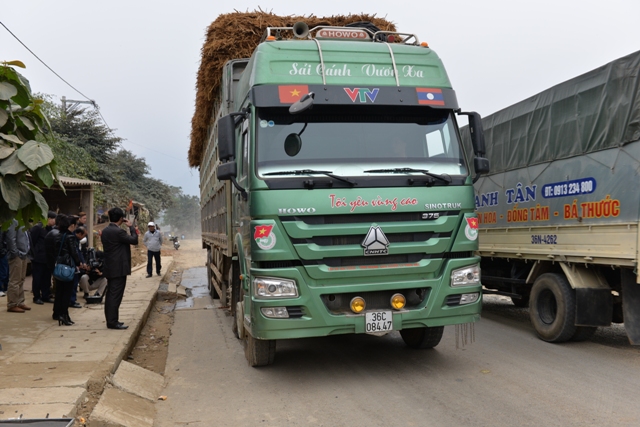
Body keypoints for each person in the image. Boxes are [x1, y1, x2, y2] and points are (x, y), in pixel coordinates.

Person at [101, 207, 138, 330]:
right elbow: (134, 240)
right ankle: (112, 322)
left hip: (110, 266)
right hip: (118, 267)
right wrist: (131, 227)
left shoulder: (106, 230)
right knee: (115, 295)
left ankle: (112, 319)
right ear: (121, 219)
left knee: (111, 294)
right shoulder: (118, 232)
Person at [45, 214, 83, 325]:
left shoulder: (57, 235)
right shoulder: (70, 237)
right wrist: (78, 263)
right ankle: (64, 315)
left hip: (59, 267)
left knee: (59, 291)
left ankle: (57, 313)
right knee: (67, 292)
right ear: (71, 225)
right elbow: (73, 252)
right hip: (68, 267)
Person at [5, 219, 32, 313]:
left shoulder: (23, 220)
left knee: (21, 279)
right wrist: (15, 253)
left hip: (24, 254)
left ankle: (20, 301)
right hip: (17, 255)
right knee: (15, 280)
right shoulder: (13, 221)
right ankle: (12, 304)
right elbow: (10, 238)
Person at [29, 211, 57, 304]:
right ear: (48, 218)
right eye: (53, 219)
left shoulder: (51, 229)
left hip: (48, 258)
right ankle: (36, 296)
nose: (54, 221)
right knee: (37, 278)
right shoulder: (38, 228)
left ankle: (46, 295)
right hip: (38, 258)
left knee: (46, 278)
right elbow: (32, 241)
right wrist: (35, 253)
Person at [0, 229, 8, 298]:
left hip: (4, 252)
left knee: (6, 272)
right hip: (3, 253)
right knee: (3, 272)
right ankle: (1, 289)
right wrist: (3, 252)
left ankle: (5, 288)